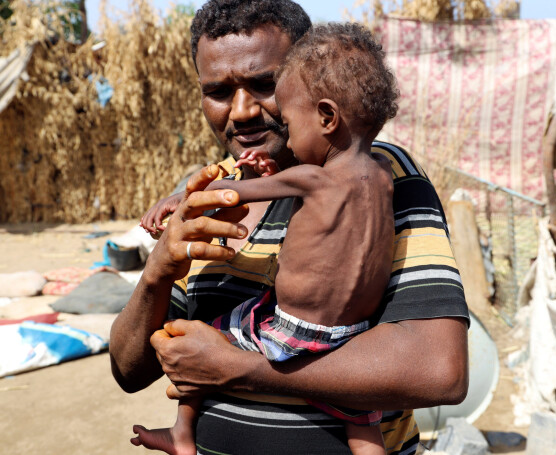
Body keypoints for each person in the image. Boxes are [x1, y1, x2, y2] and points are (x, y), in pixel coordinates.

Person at [109, 0, 470, 454]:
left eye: (264, 85)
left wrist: (242, 369)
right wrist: (158, 271)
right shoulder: (206, 196)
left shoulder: (381, 179)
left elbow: (440, 371)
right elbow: (129, 371)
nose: (240, 112)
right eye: (218, 92)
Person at [131, 22, 400, 455]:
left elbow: (230, 193)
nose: (288, 136)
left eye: (290, 124)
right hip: (351, 342)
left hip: (286, 330)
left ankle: (183, 431)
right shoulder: (386, 179)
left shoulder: (313, 178)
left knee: (193, 340)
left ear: (327, 117)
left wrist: (180, 197)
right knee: (363, 427)